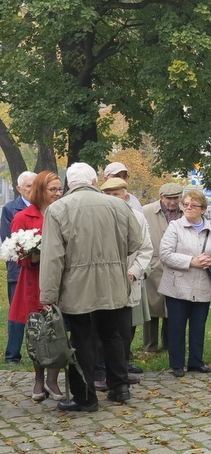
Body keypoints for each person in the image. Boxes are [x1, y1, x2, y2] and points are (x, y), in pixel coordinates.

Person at [40, 163, 142, 411]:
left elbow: (53, 257)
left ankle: (85, 397)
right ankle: (119, 387)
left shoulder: (57, 209)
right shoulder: (118, 205)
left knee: (81, 339)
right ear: (95, 181)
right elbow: (135, 242)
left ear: (69, 184)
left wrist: (48, 294)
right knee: (112, 334)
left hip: (76, 286)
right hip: (112, 283)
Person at [8, 171, 65, 401]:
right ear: (41, 190)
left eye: (60, 189)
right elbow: (15, 254)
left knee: (57, 330)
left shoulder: (63, 213)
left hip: (60, 279)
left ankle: (53, 379)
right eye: (53, 189)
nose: (58, 193)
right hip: (34, 281)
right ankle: (39, 379)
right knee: (36, 332)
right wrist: (35, 257)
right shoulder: (23, 217)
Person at [158, 190, 211, 377]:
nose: (188, 208)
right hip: (177, 286)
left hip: (203, 285)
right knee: (177, 326)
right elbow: (165, 254)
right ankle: (177, 364)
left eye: (193, 205)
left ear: (203, 209)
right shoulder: (175, 227)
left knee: (198, 326)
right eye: (186, 204)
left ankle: (196, 361)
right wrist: (191, 261)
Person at [99, 178, 153, 382]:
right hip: (102, 283)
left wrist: (134, 272)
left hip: (127, 282)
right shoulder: (98, 217)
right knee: (101, 330)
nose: (112, 198)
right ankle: (102, 371)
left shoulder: (137, 218)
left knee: (124, 330)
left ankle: (120, 373)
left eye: (116, 194)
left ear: (126, 196)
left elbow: (146, 249)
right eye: (108, 194)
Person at [142, 183, 183, 354]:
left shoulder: (184, 212)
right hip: (154, 263)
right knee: (152, 307)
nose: (173, 202)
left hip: (176, 263)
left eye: (176, 198)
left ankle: (169, 343)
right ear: (161, 197)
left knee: (172, 306)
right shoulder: (146, 211)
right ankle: (150, 346)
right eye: (169, 198)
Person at [2, 171, 36, 365]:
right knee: (17, 311)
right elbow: (9, 241)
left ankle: (39, 352)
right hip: (18, 268)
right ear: (19, 189)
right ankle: (12, 356)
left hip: (38, 268)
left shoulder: (45, 207)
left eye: (34, 185)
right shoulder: (10, 209)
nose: (32, 189)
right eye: (28, 186)